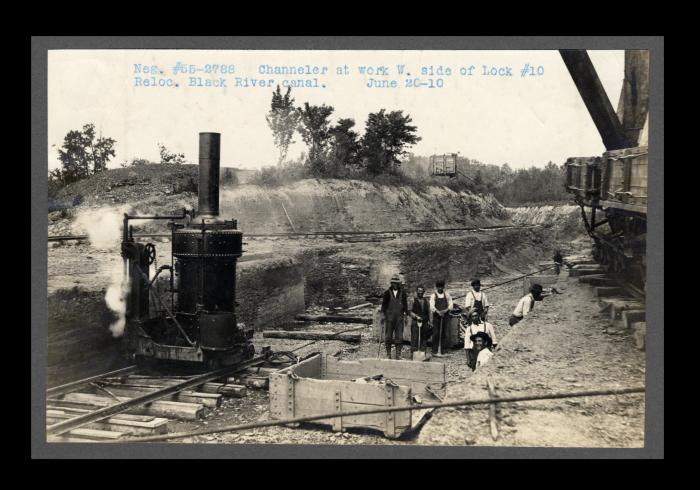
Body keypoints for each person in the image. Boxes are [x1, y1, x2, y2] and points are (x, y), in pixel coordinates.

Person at [380, 276, 408, 359]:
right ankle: (388, 354)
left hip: (399, 318)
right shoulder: (387, 293)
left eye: (396, 283)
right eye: (393, 283)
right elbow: (383, 306)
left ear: (398, 284)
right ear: (391, 283)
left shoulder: (403, 293)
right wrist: (382, 316)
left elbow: (405, 306)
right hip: (389, 319)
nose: (394, 284)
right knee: (388, 336)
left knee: (399, 336)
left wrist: (406, 316)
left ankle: (398, 354)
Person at [429, 280, 453, 354]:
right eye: (438, 287)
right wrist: (438, 312)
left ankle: (444, 349)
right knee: (436, 332)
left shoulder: (447, 295)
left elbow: (451, 305)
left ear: (443, 287)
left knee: (445, 332)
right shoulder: (433, 295)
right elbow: (432, 306)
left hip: (445, 316)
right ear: (436, 288)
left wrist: (445, 311)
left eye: (441, 287)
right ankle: (435, 349)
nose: (440, 289)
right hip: (437, 317)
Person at [409, 285, 431, 354]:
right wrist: (416, 316)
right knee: (415, 338)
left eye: (422, 291)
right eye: (419, 291)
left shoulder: (426, 301)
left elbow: (429, 311)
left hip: (424, 322)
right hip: (416, 322)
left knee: (424, 338)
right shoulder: (413, 300)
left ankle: (422, 353)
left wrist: (430, 321)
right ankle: (414, 353)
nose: (420, 293)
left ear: (423, 292)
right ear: (417, 292)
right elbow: (409, 311)